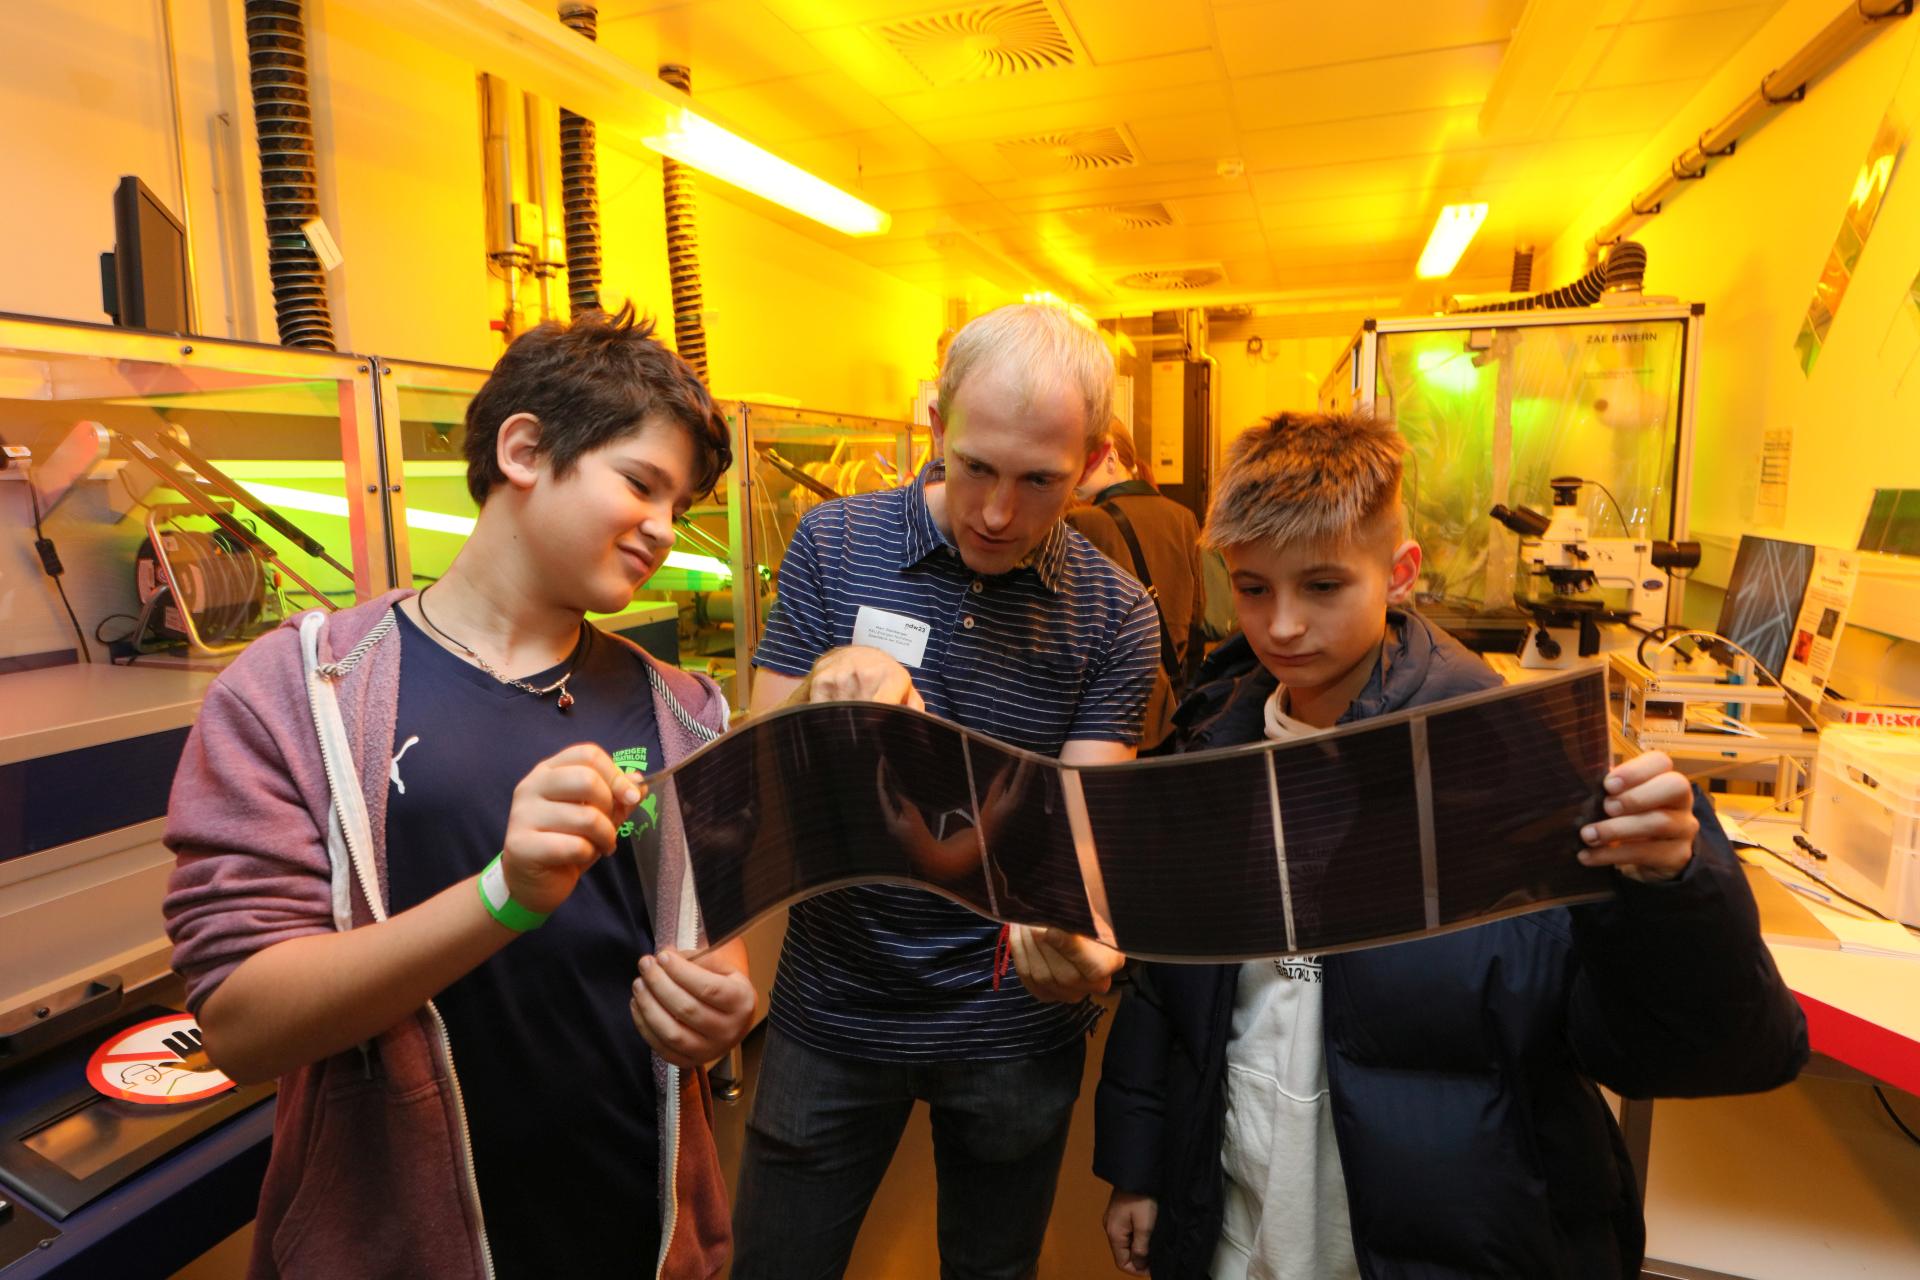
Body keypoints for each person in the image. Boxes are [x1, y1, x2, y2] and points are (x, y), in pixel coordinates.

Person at [1087, 411, 1808, 1279]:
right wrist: (1139, 1163)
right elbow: (1168, 994)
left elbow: (1715, 1049)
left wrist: (1675, 887)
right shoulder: (1213, 750)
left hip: (1450, 1239)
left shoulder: (1510, 766)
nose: (1280, 626)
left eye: (1322, 587)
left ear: (1400, 573)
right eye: (1251, 588)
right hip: (1240, 1226)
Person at [163, 306, 756, 1279]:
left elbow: (715, 943)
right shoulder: (300, 692)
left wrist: (722, 1002)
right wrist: (503, 895)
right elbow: (241, 1022)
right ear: (524, 448)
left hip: (635, 1233)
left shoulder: (686, 710)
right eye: (641, 483)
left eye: (678, 504)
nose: (663, 528)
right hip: (394, 1245)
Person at [730, 303, 1162, 1280]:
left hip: (1009, 1024)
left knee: (993, 1264)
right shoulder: (833, 545)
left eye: (1039, 479)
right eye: (974, 466)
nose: (998, 512)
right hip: (833, 1006)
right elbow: (759, 772)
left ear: (1093, 458)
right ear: (936, 428)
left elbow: (1079, 831)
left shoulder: (1114, 614)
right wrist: (820, 686)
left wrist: (1078, 928)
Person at [1076, 419, 1208, 747]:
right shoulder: (1183, 516)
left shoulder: (1084, 522)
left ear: (1110, 459)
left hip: (1108, 712)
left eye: (1083, 460)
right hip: (1170, 709)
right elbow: (1197, 616)